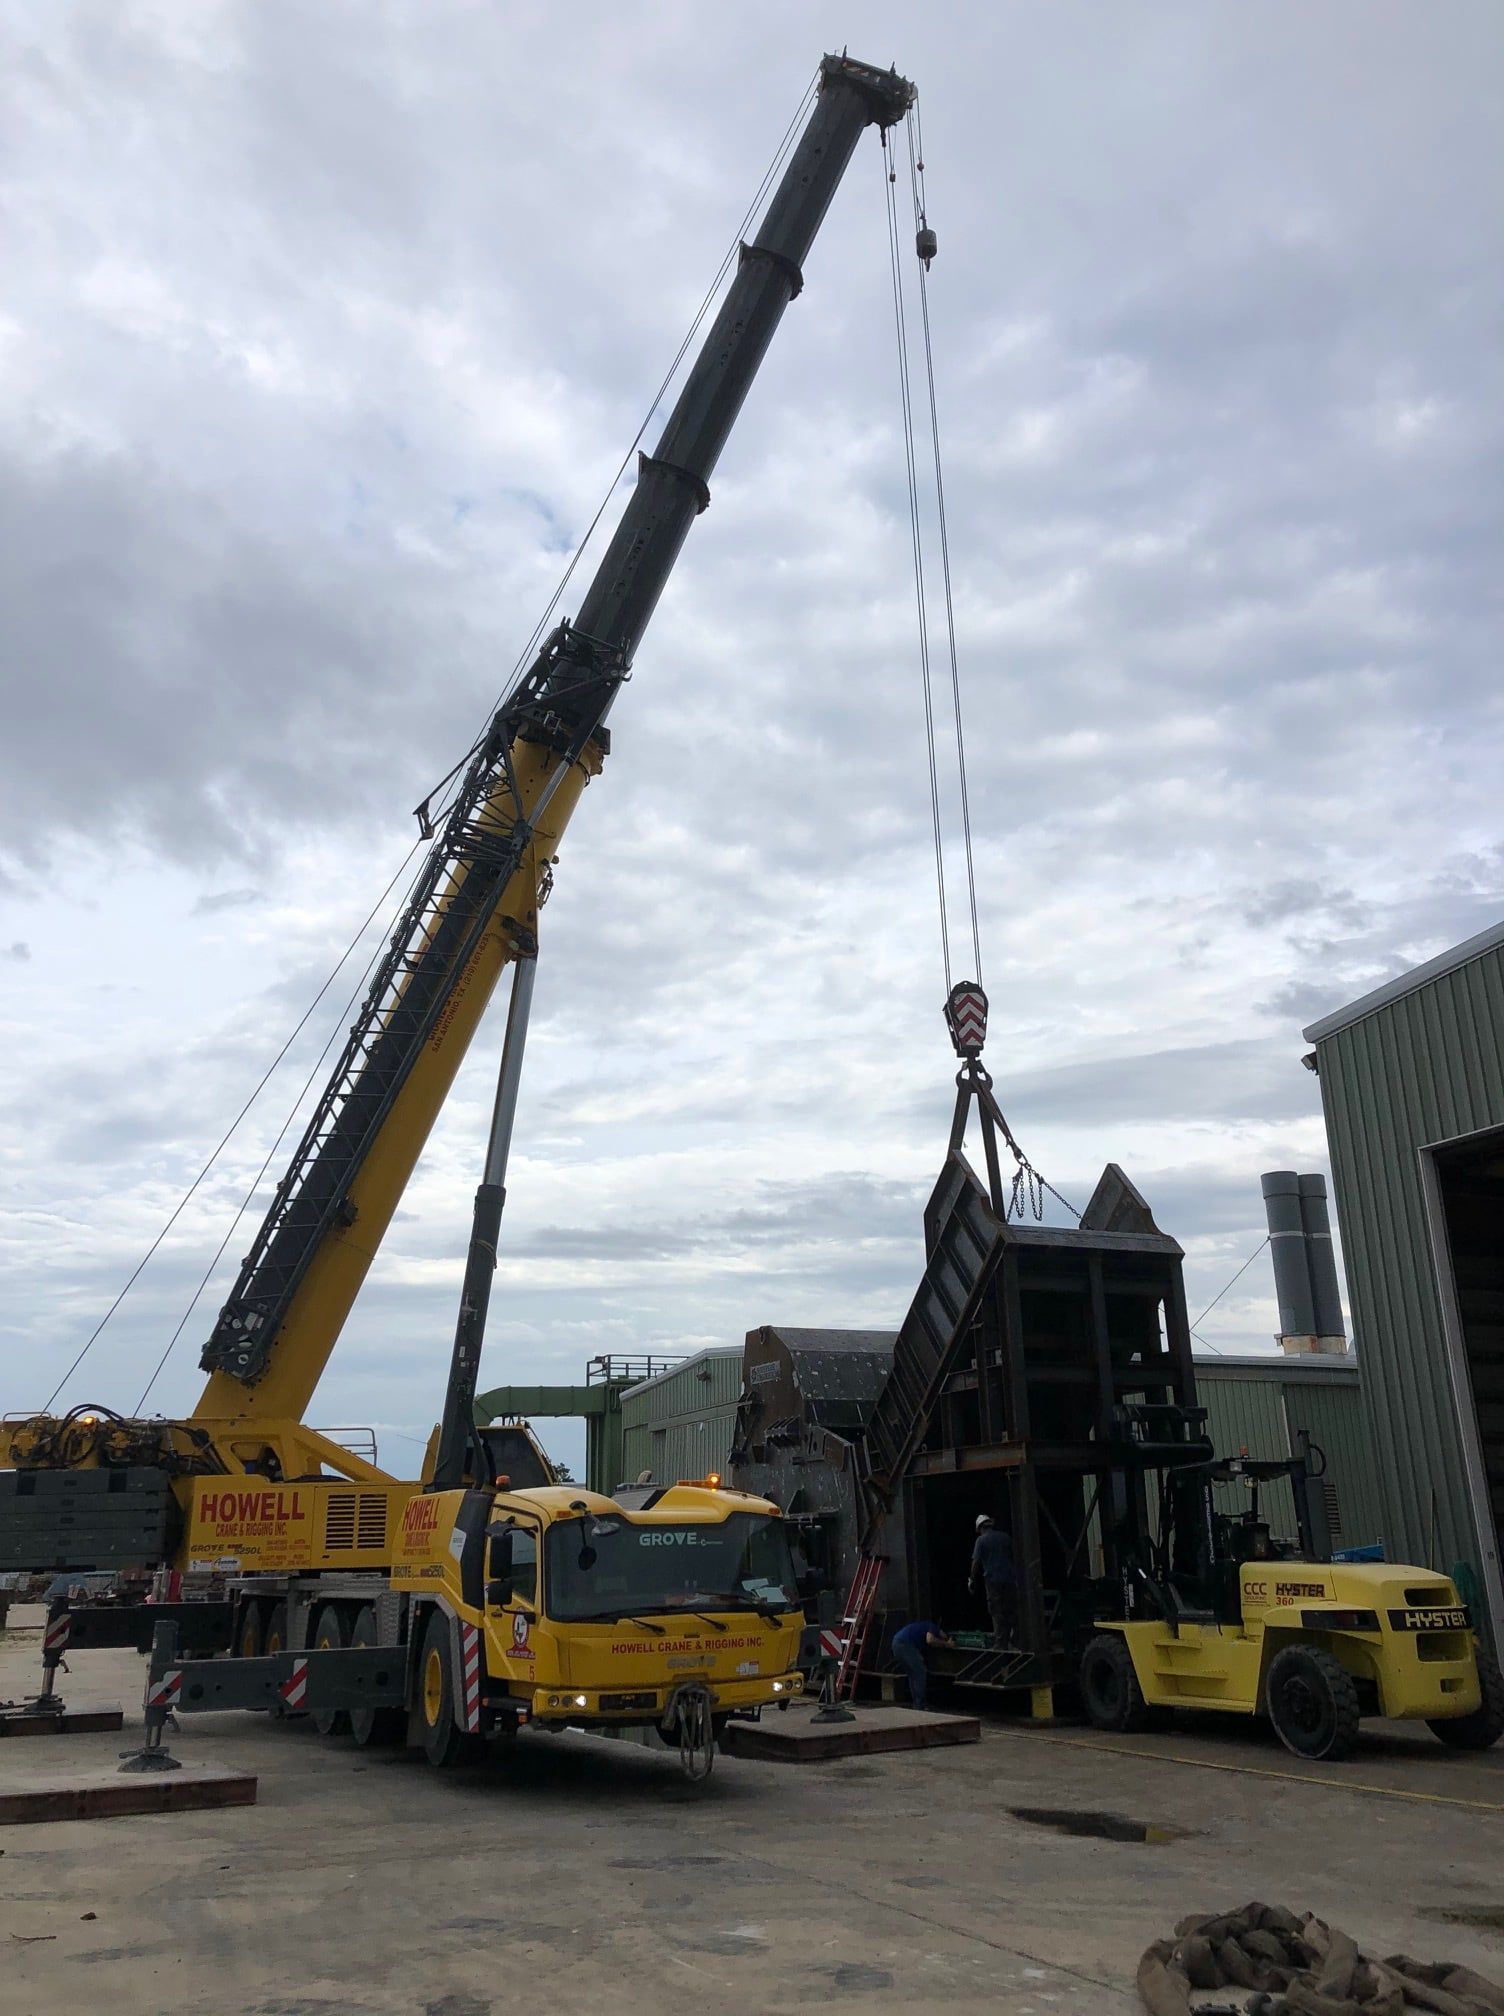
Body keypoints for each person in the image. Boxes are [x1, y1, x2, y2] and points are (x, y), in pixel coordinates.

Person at [970, 1513, 1017, 1646]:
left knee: (996, 1611)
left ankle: (1001, 1642)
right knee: (1010, 1609)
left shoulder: (981, 1540)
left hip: (993, 1581)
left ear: (980, 1528)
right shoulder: (1005, 1537)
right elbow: (1015, 1555)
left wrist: (972, 1579)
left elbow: (976, 1562)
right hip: (1009, 1579)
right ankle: (1014, 1639)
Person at [890, 1617, 953, 1710]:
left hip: (897, 1642)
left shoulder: (923, 1626)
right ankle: (920, 1704)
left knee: (912, 1674)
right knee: (920, 1673)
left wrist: (943, 1644)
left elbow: (932, 1643)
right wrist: (947, 1643)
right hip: (905, 1644)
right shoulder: (933, 1626)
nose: (944, 1637)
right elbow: (930, 1640)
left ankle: (917, 1703)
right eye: (945, 1636)